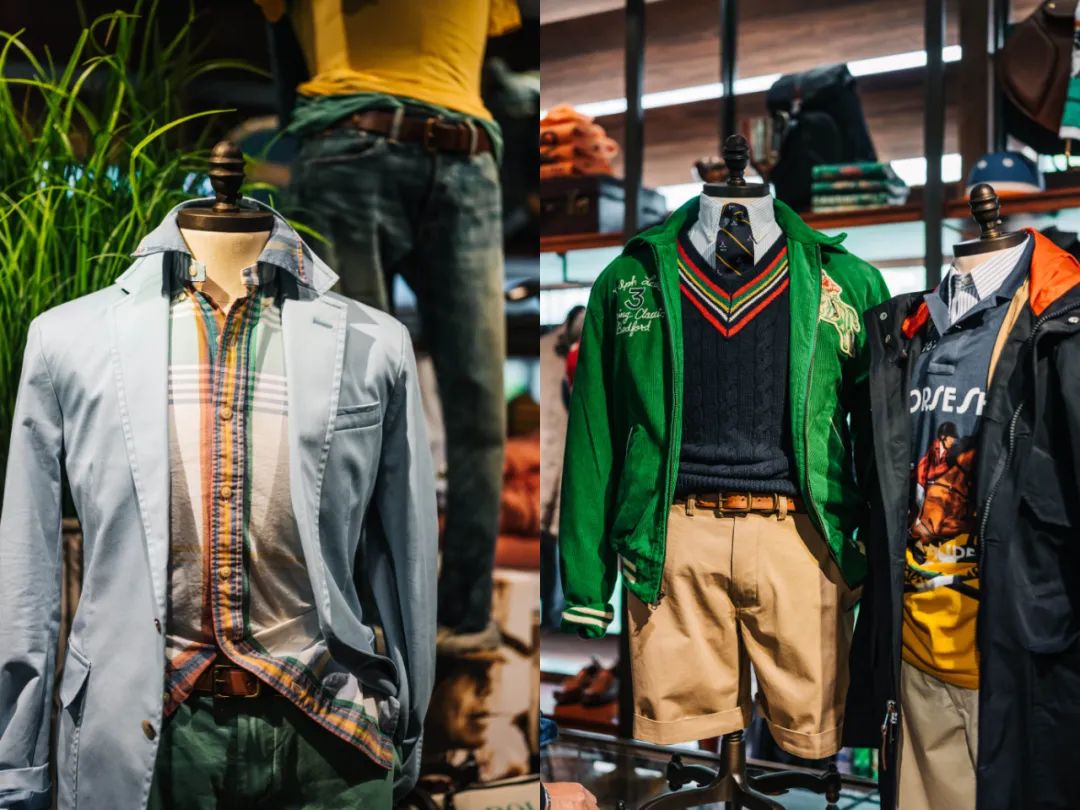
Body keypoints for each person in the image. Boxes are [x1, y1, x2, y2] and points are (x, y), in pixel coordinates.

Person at [256, 0, 521, 653]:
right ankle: (368, 620)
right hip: (349, 141)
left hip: (466, 157)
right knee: (354, 402)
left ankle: (461, 617)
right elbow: (286, 58)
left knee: (478, 407)